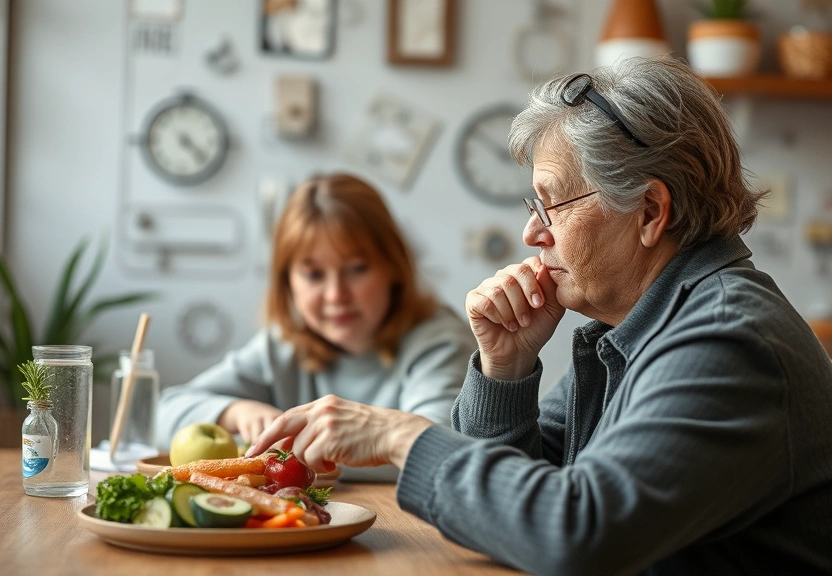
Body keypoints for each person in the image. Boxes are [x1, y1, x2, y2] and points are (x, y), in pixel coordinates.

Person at [247, 56, 832, 574]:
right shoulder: (630, 330)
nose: (531, 233)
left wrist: (401, 437)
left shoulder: (727, 340)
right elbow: (501, 515)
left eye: (553, 205)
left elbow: (575, 535)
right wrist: (505, 369)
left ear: (650, 211)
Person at [159, 173, 477, 481]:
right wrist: (235, 411)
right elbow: (164, 411)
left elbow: (441, 450)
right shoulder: (282, 346)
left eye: (357, 269)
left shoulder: (441, 342)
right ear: (287, 283)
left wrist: (297, 446)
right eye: (313, 275)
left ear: (394, 266)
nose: (336, 295)